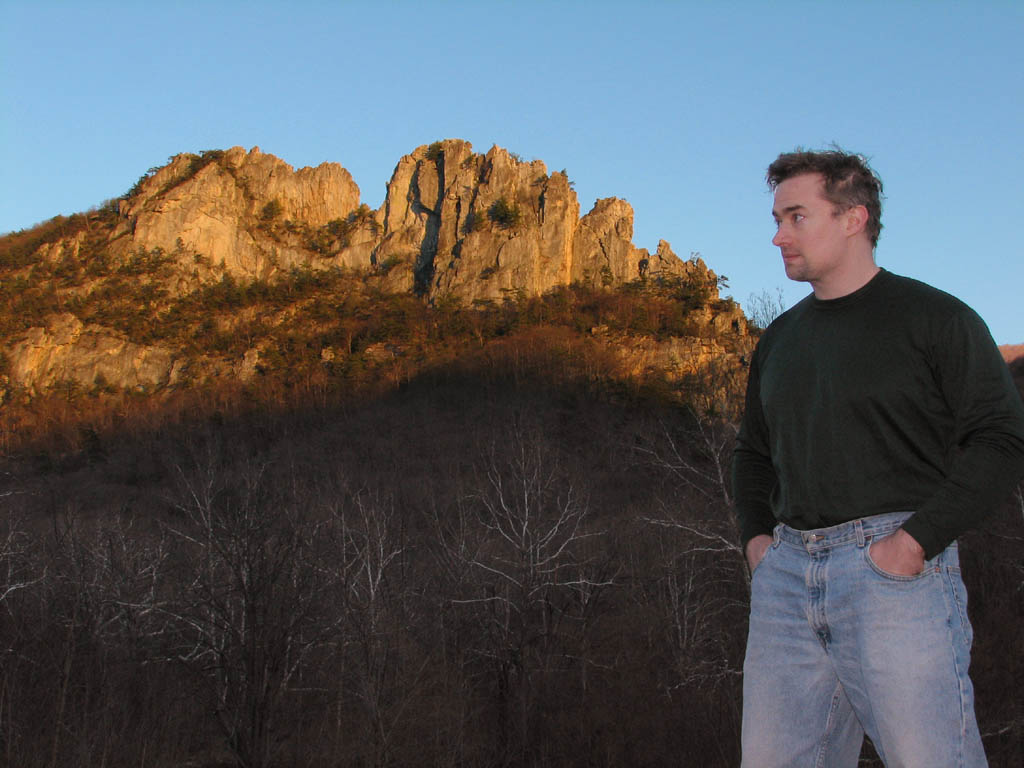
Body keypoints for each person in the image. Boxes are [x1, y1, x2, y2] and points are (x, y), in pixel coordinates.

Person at [732, 148, 1024, 767]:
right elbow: (753, 453)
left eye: (795, 216)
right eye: (777, 218)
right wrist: (759, 543)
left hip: (893, 578)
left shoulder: (936, 318)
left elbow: (1001, 440)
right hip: (786, 577)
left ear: (853, 217)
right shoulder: (780, 338)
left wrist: (912, 543)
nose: (777, 235)